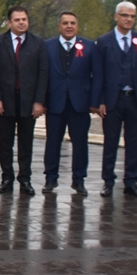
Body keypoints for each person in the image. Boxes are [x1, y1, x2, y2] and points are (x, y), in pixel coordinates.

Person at [0, 6, 48, 196]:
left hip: (29, 102)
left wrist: (39, 102)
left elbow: (43, 73)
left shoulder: (38, 43)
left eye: (24, 19)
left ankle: (25, 179)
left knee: (26, 143)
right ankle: (7, 178)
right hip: (5, 102)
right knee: (5, 143)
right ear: (9, 22)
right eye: (17, 20)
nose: (21, 22)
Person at [93, 1, 137, 198]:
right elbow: (98, 74)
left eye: (132, 16)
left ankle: (131, 181)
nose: (129, 19)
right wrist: (99, 101)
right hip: (112, 100)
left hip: (134, 99)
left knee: (133, 142)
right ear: (116, 17)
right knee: (111, 142)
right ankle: (108, 181)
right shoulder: (104, 41)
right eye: (125, 15)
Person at [42, 11, 98, 196]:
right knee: (53, 142)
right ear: (59, 26)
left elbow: (96, 76)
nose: (69, 26)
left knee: (80, 143)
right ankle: (51, 178)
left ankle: (79, 180)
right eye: (65, 23)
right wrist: (40, 101)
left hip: (80, 103)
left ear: (77, 26)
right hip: (55, 102)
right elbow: (42, 75)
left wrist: (95, 101)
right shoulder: (47, 46)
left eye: (72, 23)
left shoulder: (89, 46)